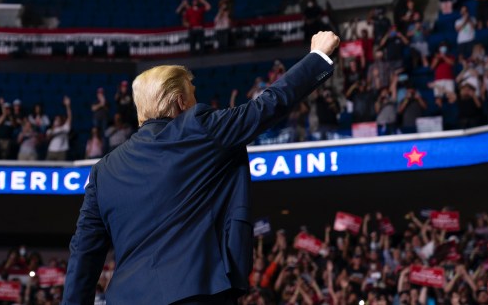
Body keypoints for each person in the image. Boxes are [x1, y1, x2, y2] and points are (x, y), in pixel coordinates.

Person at [62, 31, 339, 305]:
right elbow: (266, 106)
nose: (196, 100)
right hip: (195, 292)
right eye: (193, 94)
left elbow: (83, 254)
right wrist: (318, 57)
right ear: (181, 101)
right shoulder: (198, 127)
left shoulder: (103, 171)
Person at [46, 96, 72, 161]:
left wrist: (68, 106)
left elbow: (69, 118)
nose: (56, 121)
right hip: (51, 151)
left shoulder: (64, 128)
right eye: (55, 120)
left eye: (58, 120)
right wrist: (53, 128)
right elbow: (48, 137)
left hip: (61, 152)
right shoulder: (50, 130)